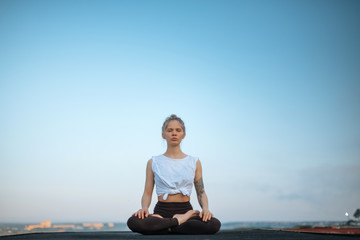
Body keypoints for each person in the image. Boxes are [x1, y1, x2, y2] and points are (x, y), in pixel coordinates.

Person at [127, 114, 221, 235]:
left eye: (178, 130)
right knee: (133, 221)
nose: (174, 133)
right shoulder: (153, 162)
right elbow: (147, 192)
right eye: (169, 130)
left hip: (185, 210)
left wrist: (205, 209)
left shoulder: (194, 161)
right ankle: (177, 222)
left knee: (214, 224)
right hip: (161, 212)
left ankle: (165, 226)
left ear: (184, 135)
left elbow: (201, 191)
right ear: (163, 135)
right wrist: (144, 208)